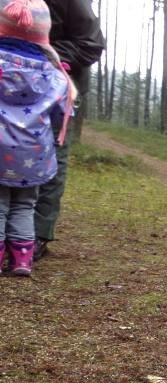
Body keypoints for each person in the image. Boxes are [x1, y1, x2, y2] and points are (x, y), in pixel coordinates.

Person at [0, 0, 75, 276]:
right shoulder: (53, 73)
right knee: (24, 205)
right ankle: (21, 261)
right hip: (34, 154)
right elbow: (64, 111)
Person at [33, 0, 104, 262]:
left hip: (57, 92)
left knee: (51, 157)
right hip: (12, 84)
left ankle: (37, 234)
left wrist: (39, 55)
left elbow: (91, 44)